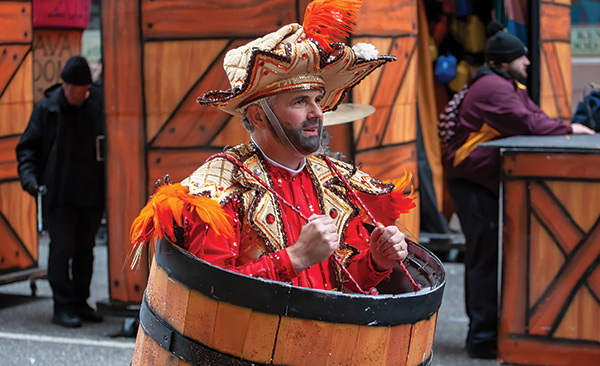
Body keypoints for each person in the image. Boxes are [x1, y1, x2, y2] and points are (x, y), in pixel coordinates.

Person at [129, 0, 417, 294]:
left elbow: (343, 286)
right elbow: (212, 294)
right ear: (257, 116)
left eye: (317, 99)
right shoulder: (220, 190)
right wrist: (296, 258)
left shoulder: (337, 182)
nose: (317, 112)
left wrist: (376, 262)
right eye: (299, 101)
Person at [442, 28, 595, 359]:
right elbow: (528, 123)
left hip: (480, 179)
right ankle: (482, 339)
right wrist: (571, 128)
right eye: (519, 57)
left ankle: (492, 333)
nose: (527, 61)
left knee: (489, 255)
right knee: (483, 257)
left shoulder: (509, 85)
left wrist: (565, 127)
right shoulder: (492, 87)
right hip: (471, 180)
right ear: (501, 63)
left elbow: (535, 117)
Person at [16, 56, 106, 328]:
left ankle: (80, 302)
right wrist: (31, 180)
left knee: (85, 251)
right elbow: (27, 149)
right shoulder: (47, 109)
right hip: (59, 195)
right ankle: (62, 307)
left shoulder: (96, 104)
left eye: (86, 90)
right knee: (61, 250)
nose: (82, 95)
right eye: (77, 90)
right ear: (65, 86)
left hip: (91, 194)